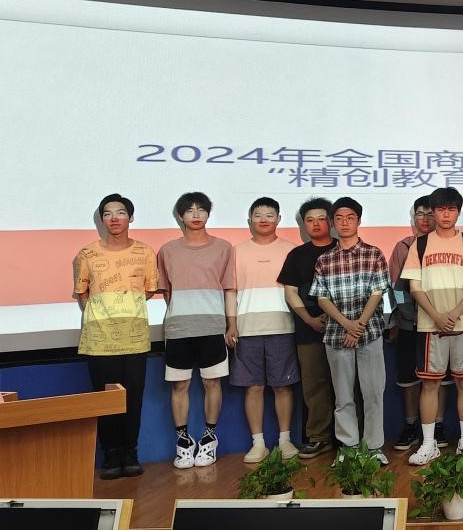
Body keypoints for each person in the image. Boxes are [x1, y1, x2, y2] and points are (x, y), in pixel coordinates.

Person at [74, 194, 158, 479]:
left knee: (133, 398)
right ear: (101, 219)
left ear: (130, 218)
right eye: (108, 213)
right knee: (106, 399)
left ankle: (130, 453)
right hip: (99, 338)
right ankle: (111, 456)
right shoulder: (87, 254)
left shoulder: (145, 252)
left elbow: (148, 290)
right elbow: (83, 293)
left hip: (134, 337)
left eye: (120, 213)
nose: (114, 218)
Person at [403, 187, 463, 464]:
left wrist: (453, 313)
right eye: (441, 209)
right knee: (430, 384)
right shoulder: (420, 245)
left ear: (458, 212)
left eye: (451, 209)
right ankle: (428, 444)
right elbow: (415, 287)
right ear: (433, 212)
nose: (446, 214)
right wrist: (436, 315)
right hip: (430, 326)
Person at [309, 196, 391, 463]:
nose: (345, 223)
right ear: (333, 223)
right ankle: (348, 446)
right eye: (339, 219)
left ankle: (374, 447)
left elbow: (378, 292)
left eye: (350, 218)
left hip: (370, 333)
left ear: (359, 221)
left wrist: (359, 326)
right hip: (336, 336)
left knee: (373, 393)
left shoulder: (374, 254)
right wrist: (347, 325)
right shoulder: (325, 259)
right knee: (343, 396)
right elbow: (322, 298)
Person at [157, 191, 235, 469]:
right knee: (180, 385)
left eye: (201, 209)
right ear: (180, 216)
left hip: (212, 326)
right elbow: (167, 292)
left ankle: (209, 437)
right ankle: (183, 442)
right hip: (178, 328)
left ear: (208, 214)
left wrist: (231, 324)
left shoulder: (224, 248)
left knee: (212, 383)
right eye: (189, 210)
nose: (196, 215)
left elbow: (229, 288)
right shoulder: (167, 250)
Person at [226, 197, 300, 463]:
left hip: (283, 326)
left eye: (270, 215)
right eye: (258, 215)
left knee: (283, 386)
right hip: (247, 329)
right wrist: (231, 324)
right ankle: (258, 443)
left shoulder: (292, 250)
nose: (264, 219)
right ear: (249, 220)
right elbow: (231, 291)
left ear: (279, 219)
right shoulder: (236, 252)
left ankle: (285, 440)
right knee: (253, 387)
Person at [278, 197, 337, 458]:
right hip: (308, 330)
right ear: (303, 224)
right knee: (314, 386)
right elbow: (291, 292)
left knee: (349, 385)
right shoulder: (297, 255)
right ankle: (318, 437)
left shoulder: (343, 249)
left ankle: (350, 439)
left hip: (345, 329)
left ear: (331, 221)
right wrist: (309, 319)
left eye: (321, 218)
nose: (316, 224)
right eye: (309, 220)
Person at [387, 194, 434, 453]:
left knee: (437, 380)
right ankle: (410, 426)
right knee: (409, 380)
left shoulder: (447, 245)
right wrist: (409, 315)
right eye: (420, 214)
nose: (425, 219)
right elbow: (397, 287)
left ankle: (436, 427)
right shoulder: (403, 246)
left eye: (430, 213)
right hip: (409, 324)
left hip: (439, 325)